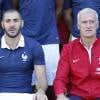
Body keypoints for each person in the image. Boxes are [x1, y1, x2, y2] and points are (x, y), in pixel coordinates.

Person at [12, 0, 60, 100]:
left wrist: (48, 24)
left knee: (53, 82)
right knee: (28, 82)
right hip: (26, 36)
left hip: (49, 37)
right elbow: (14, 8)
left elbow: (59, 7)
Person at [0, 9, 48, 100]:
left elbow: (42, 80)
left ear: (22, 23)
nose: (12, 25)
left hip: (26, 96)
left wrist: (41, 91)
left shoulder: (34, 46)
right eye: (8, 21)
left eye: (15, 20)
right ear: (2, 24)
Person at [54, 8, 100, 100]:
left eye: (92, 22)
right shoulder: (68, 49)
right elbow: (60, 77)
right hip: (77, 96)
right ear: (78, 26)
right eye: (84, 22)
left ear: (97, 25)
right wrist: (60, 95)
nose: (88, 26)